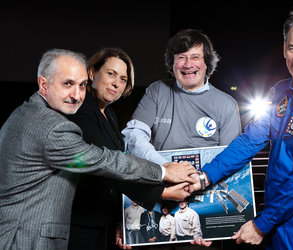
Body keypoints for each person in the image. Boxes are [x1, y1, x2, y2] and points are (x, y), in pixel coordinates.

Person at [191, 6, 293, 249]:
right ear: (284, 48)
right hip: (276, 216)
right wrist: (206, 176)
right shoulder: (280, 92)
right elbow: (250, 140)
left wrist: (262, 224)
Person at [0, 48, 197, 250]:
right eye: (67, 84)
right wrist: (164, 172)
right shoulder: (54, 126)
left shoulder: (30, 112)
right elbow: (103, 162)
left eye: (82, 85)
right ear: (44, 84)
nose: (77, 95)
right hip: (26, 237)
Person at [66, 47, 186, 250]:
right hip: (79, 221)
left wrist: (119, 219)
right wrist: (162, 192)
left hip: (102, 220)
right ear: (92, 72)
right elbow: (106, 167)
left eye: (123, 79)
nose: (116, 83)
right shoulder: (80, 110)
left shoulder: (110, 115)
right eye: (111, 74)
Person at [122, 29, 241, 166]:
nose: (188, 64)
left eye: (195, 57)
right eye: (181, 57)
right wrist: (167, 169)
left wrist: (201, 179)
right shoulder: (157, 91)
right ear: (172, 64)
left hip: (207, 181)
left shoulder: (226, 104)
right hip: (163, 178)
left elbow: (229, 159)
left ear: (206, 63)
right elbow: (133, 135)